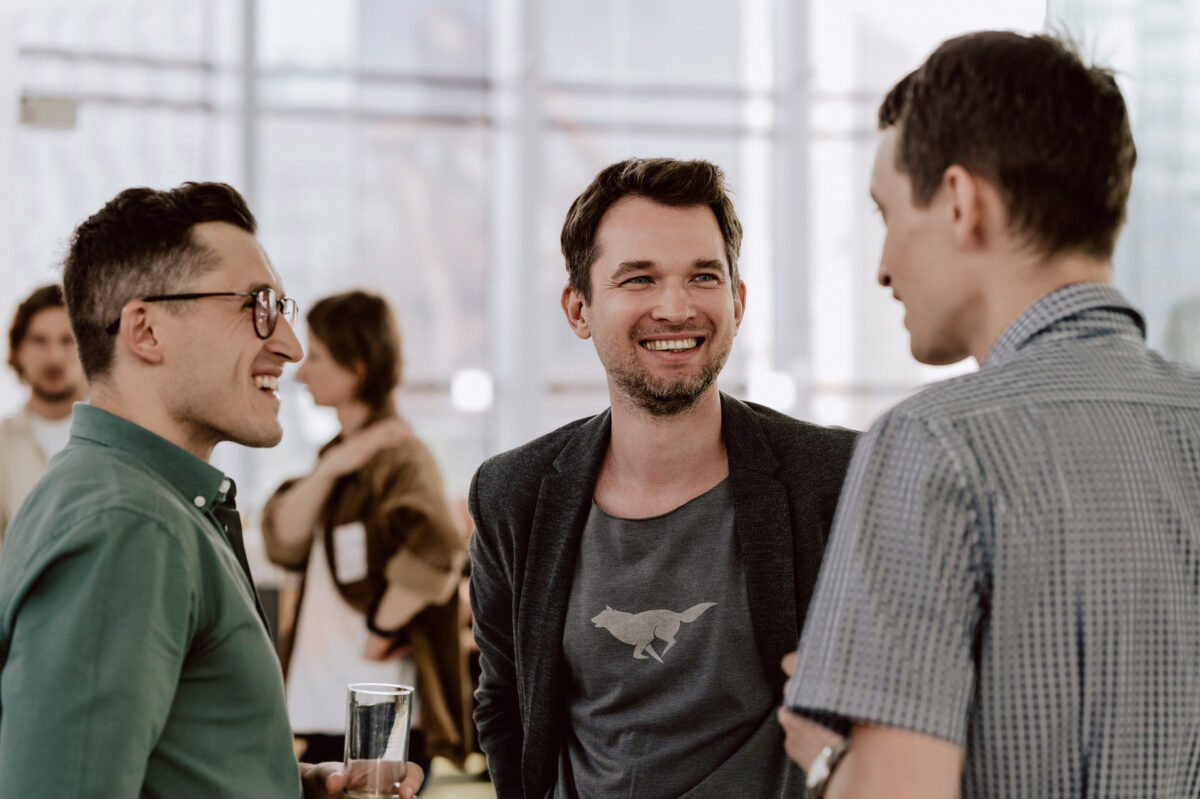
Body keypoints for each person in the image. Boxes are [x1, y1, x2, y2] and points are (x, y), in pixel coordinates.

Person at [780, 31, 1200, 799]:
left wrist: (829, 760)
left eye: (886, 212)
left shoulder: (934, 444)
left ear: (961, 202)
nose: (882, 265)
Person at [0, 183, 424, 798]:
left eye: (282, 306)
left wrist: (293, 785)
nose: (289, 343)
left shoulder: (141, 499)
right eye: (256, 305)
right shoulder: (129, 524)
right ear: (145, 331)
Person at [469, 157, 858, 798]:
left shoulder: (835, 481)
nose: (675, 309)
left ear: (736, 301)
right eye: (639, 279)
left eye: (703, 277)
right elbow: (505, 703)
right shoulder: (515, 494)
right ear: (579, 308)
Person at [262, 290, 469, 781]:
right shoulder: (338, 456)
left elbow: (438, 547)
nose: (301, 370)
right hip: (323, 703)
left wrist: (380, 629)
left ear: (355, 367)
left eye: (317, 356)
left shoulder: (400, 456)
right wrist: (336, 465)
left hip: (375, 710)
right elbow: (282, 540)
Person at [0, 284, 86, 545]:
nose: (54, 356)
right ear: (18, 350)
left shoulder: (121, 439)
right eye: (39, 340)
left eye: (67, 340)